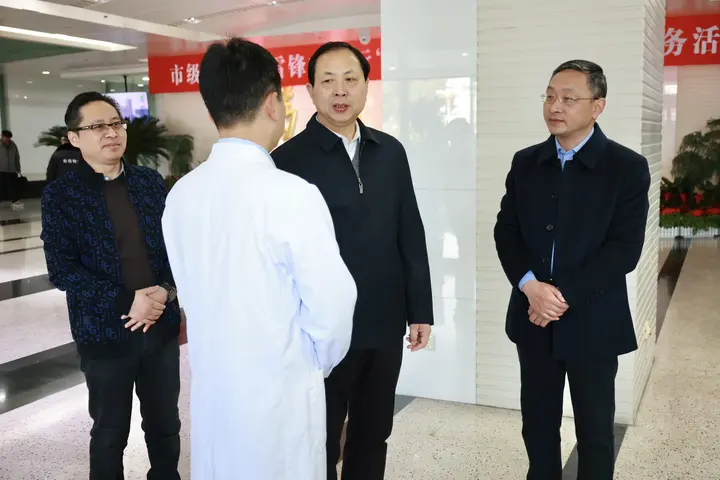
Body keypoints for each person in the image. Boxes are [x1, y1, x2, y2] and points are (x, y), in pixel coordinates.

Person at [161, 38, 356, 480]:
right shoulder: (292, 194)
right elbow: (333, 307)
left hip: (215, 388)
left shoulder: (182, 195)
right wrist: (313, 363)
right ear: (272, 103)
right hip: (281, 393)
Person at [272, 41, 434, 480]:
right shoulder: (286, 161)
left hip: (383, 322)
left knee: (373, 433)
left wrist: (420, 309)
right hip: (319, 330)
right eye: (327, 81)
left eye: (350, 79)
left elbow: (410, 231)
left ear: (366, 86)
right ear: (310, 90)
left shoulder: (390, 151)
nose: (340, 90)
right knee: (319, 438)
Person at [493, 60, 650, 480]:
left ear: (597, 106)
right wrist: (530, 286)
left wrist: (557, 297)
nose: (554, 106)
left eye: (568, 98)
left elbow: (623, 250)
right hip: (533, 318)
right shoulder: (526, 162)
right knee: (537, 423)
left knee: (595, 432)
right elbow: (506, 231)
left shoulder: (626, 167)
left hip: (593, 320)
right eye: (549, 96)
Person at [41, 92, 182, 480]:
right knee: (109, 433)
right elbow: (62, 270)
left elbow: (176, 249)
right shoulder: (62, 195)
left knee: (165, 427)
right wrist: (126, 301)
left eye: (116, 123)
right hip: (104, 334)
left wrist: (165, 291)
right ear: (74, 138)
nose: (111, 133)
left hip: (160, 327)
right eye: (98, 126)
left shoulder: (149, 183)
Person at [0, 130, 23, 210]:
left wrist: (18, 169)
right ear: (2, 136)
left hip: (12, 170)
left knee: (14, 187)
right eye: (5, 137)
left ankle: (15, 202)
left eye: (8, 138)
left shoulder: (13, 145)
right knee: (1, 186)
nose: (7, 139)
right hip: (1, 170)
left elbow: (16, 157)